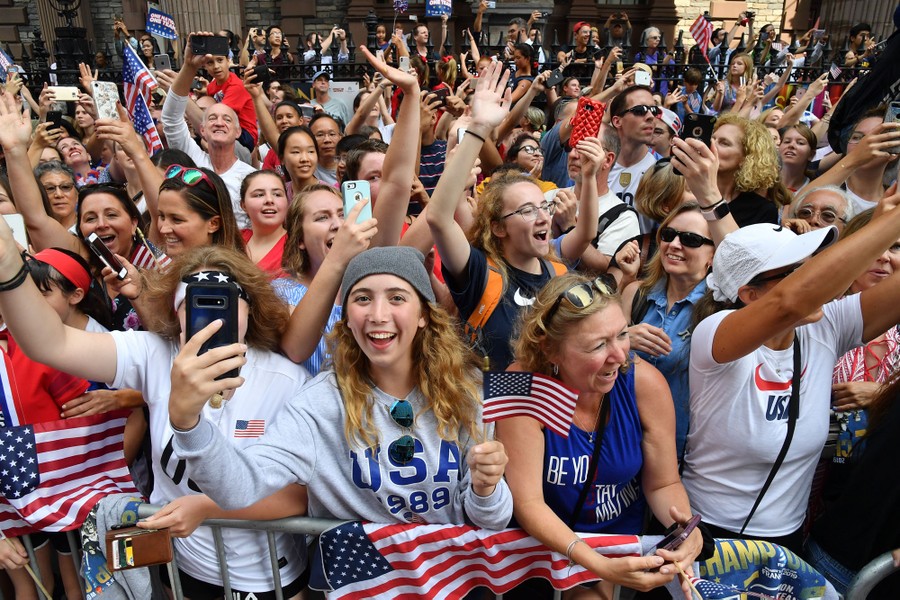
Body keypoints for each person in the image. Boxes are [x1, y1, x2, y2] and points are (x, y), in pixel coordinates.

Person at [0, 242, 313, 599]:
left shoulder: (287, 380)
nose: (212, 316)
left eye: (224, 301)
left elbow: (298, 496)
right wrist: (9, 266)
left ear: (250, 308)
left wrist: (207, 509)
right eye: (193, 303)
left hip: (265, 573)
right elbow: (49, 344)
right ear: (175, 311)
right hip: (183, 567)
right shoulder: (153, 354)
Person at [165, 246, 512, 533]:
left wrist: (486, 489)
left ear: (423, 313)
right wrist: (187, 422)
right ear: (345, 317)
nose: (377, 314)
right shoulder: (317, 406)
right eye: (362, 298)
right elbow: (238, 488)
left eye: (396, 298)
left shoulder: (468, 392)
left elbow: (492, 520)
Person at [680, 189, 900, 552]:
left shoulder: (827, 324)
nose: (813, 277)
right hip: (708, 535)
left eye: (809, 263)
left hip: (787, 540)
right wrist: (888, 224)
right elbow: (788, 302)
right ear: (749, 294)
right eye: (796, 271)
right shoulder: (714, 333)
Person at [498, 272, 703, 598]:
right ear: (550, 350)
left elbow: (663, 483)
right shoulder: (516, 384)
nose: (621, 356)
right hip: (535, 545)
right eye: (598, 345)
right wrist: (593, 561)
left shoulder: (645, 382)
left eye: (622, 334)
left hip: (612, 539)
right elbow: (528, 503)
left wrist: (684, 530)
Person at [427, 61, 602, 370]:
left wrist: (587, 178)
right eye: (526, 210)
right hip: (489, 412)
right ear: (497, 227)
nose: (543, 218)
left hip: (543, 411)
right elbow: (439, 217)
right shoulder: (479, 272)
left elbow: (585, 233)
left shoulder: (557, 273)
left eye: (543, 207)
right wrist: (479, 128)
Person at [622, 203, 715, 458]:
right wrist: (622, 340)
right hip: (626, 442)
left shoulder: (720, 309)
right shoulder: (635, 293)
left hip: (686, 452)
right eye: (668, 235)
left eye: (690, 239)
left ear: (714, 255)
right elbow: (600, 361)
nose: (674, 244)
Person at [160, 32, 257, 227]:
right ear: (202, 130)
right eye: (212, 118)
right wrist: (189, 67)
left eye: (227, 119)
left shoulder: (250, 178)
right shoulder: (193, 161)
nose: (219, 122)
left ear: (237, 132)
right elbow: (171, 119)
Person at [709, 114, 780, 226]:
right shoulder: (683, 190)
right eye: (712, 138)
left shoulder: (761, 211)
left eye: (724, 143)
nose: (711, 145)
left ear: (747, 158)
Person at [608, 85, 660, 234]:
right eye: (640, 110)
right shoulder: (595, 165)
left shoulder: (663, 170)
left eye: (654, 110)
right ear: (617, 121)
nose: (650, 116)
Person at [239, 170, 288, 279]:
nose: (269, 200)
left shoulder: (297, 246)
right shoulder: (232, 240)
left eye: (277, 194)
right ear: (243, 205)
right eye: (259, 195)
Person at [779, 124, 817, 194]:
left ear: (811, 154)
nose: (791, 145)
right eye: (787, 141)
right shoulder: (763, 182)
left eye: (800, 143)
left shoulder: (814, 190)